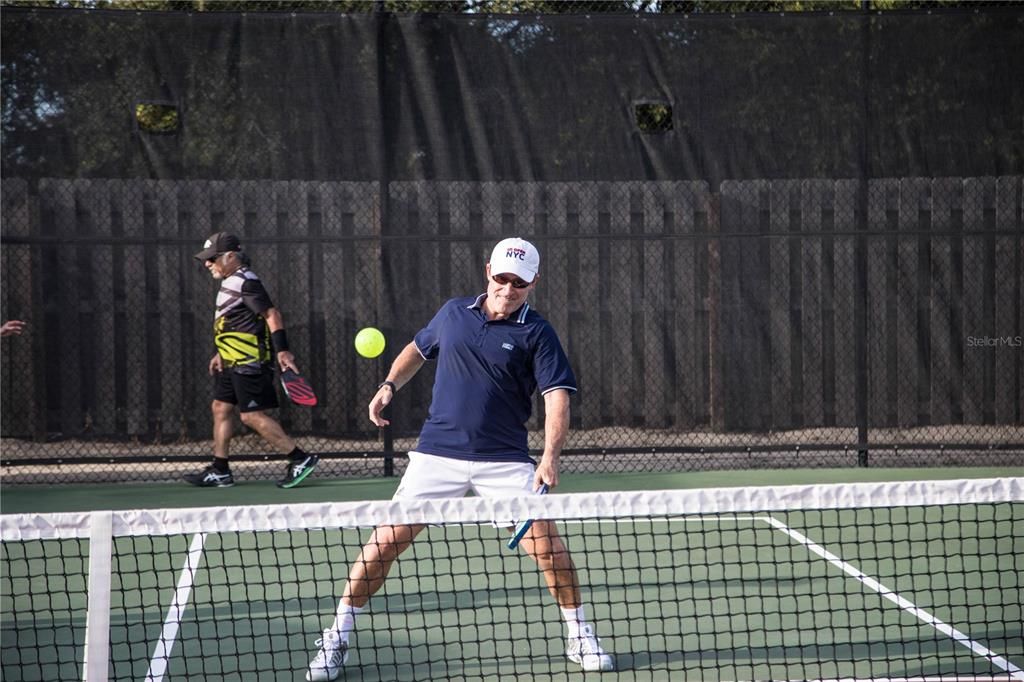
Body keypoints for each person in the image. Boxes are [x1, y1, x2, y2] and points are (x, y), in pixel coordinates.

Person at [305, 237, 614, 681]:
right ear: (488, 270)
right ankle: (338, 635)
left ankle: (579, 632)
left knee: (548, 548)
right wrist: (389, 385)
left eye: (519, 283)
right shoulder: (452, 313)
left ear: (534, 283)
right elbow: (416, 349)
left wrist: (549, 457)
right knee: (384, 544)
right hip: (436, 455)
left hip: (504, 462)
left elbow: (557, 397)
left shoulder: (538, 333)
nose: (508, 289)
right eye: (502, 278)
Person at [183, 232, 319, 489]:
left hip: (250, 362)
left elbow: (271, 314)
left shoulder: (245, 281)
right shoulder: (231, 281)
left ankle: (300, 458)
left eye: (212, 258)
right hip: (232, 361)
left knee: (251, 416)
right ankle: (221, 470)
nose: (207, 264)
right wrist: (221, 352)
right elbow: (237, 322)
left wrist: (283, 351)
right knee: (220, 408)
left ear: (231, 256)